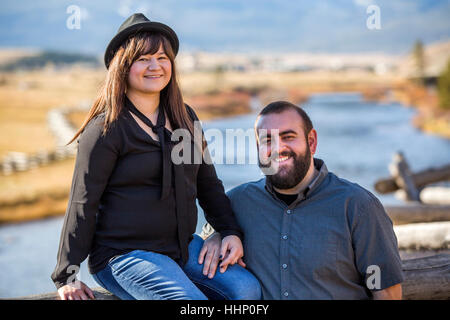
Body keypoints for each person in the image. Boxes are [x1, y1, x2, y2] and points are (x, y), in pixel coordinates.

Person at [51, 13, 261, 300]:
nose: (155, 66)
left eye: (163, 58)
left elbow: (208, 185)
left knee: (247, 290)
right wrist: (67, 275)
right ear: (122, 66)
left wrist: (227, 232)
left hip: (181, 248)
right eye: (143, 58)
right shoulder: (105, 130)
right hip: (123, 256)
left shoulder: (184, 117)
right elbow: (82, 203)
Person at [200, 100, 404, 300]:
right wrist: (219, 233)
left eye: (288, 136)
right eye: (267, 140)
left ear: (312, 142)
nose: (278, 148)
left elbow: (386, 292)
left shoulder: (358, 206)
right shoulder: (236, 203)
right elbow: (198, 254)